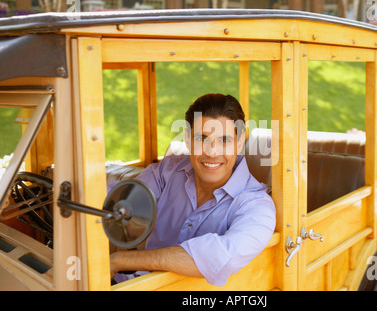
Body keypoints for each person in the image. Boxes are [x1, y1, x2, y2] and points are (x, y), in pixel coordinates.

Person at [109, 93, 276, 286]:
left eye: (224, 140)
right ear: (188, 139)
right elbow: (116, 201)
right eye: (202, 139)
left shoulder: (256, 206)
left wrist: (118, 260)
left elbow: (219, 256)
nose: (212, 152)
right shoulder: (167, 171)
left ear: (239, 142)